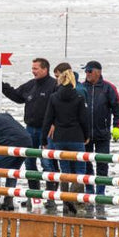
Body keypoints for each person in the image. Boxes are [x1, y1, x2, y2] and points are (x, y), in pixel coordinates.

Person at [0, 58, 58, 210]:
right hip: (30, 129)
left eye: (36, 68)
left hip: (47, 130)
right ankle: (34, 195)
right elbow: (18, 97)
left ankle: (50, 197)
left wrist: (55, 124)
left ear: (45, 69)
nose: (33, 71)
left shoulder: (54, 85)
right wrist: (2, 86)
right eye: (32, 68)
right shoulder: (31, 84)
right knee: (29, 162)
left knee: (47, 163)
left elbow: (60, 107)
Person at [42, 69, 91, 216]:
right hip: (76, 137)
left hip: (60, 138)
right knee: (80, 171)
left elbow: (48, 119)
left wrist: (44, 138)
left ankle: (65, 201)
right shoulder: (79, 96)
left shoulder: (54, 97)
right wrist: (87, 135)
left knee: (65, 171)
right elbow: (84, 119)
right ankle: (76, 200)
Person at [82, 60, 119, 215]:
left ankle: (101, 191)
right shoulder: (82, 87)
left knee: (102, 163)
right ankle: (89, 189)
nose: (87, 74)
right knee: (86, 163)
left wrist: (116, 127)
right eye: (86, 71)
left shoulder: (108, 88)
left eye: (89, 71)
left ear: (98, 72)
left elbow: (117, 108)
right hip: (85, 134)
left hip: (103, 133)